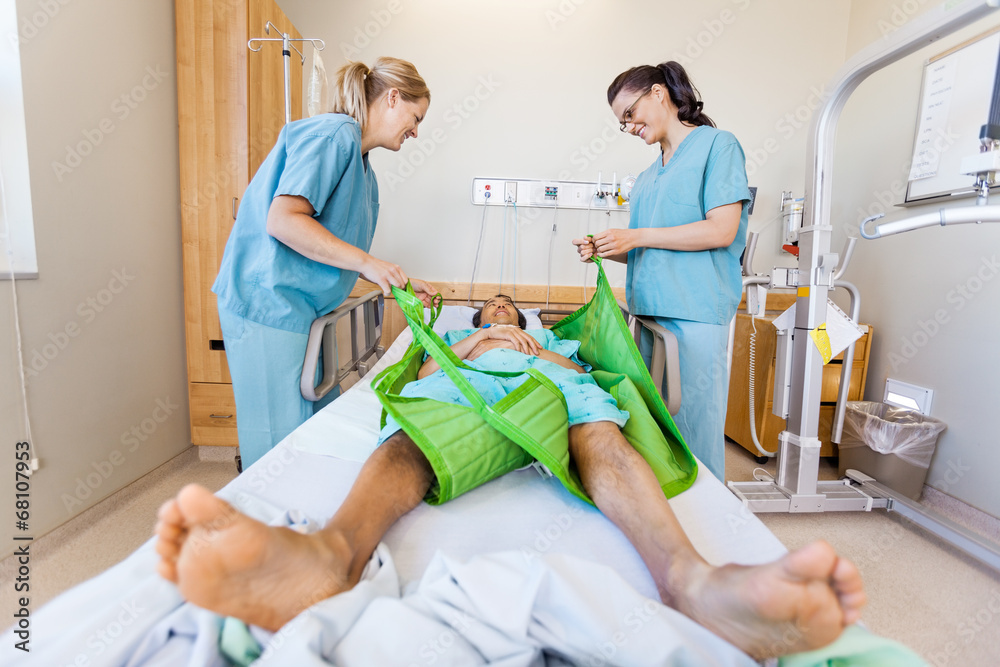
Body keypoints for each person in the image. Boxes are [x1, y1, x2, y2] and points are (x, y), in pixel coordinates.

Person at [154, 295, 867, 661]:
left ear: (526, 317)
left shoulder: (551, 339)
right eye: (488, 308)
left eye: (506, 309)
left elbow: (591, 372)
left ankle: (692, 581)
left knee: (601, 431)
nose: (497, 309)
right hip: (467, 382)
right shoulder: (457, 339)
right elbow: (424, 372)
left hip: (547, 381)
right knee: (414, 432)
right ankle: (329, 555)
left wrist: (542, 352)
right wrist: (474, 342)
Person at [212, 57, 438, 469]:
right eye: (415, 117)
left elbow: (333, 250)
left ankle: (303, 516)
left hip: (303, 311)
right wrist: (370, 263)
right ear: (392, 97)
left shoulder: (362, 167)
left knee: (312, 427)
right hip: (268, 303)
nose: (416, 131)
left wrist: (395, 280)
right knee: (278, 442)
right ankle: (268, 524)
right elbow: (283, 220)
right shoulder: (335, 135)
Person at [573, 61, 750, 481]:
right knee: (658, 429)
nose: (629, 126)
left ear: (658, 93)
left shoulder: (718, 146)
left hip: (694, 311)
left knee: (694, 430)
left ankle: (709, 524)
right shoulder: (648, 176)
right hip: (650, 313)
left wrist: (637, 237)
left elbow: (721, 230)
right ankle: (670, 510)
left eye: (629, 114)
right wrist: (607, 249)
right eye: (622, 122)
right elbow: (648, 249)